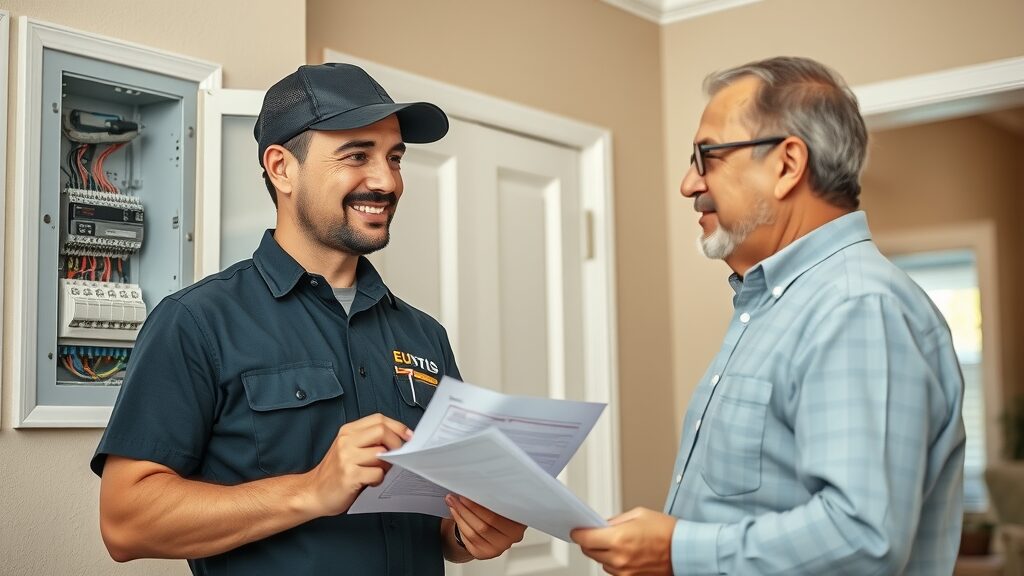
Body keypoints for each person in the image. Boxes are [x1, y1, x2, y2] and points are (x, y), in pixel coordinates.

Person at [92, 63, 525, 575]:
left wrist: (468, 532)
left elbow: (436, 522)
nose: (386, 181)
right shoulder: (196, 322)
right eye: (356, 156)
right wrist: (311, 491)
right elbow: (126, 524)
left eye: (394, 158)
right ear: (281, 169)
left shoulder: (425, 335)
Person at [572, 56, 966, 575]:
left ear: (786, 164)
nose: (689, 184)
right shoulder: (774, 306)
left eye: (704, 156)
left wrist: (676, 551)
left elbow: (863, 537)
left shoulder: (857, 307)